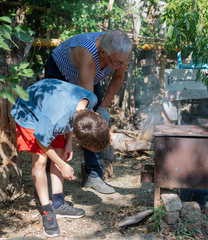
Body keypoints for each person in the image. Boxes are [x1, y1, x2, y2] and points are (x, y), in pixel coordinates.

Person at [11, 78, 110, 237]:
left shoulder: (91, 100)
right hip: (29, 111)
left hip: (51, 108)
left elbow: (75, 118)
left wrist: (68, 143)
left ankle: (58, 204)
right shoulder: (56, 119)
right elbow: (41, 142)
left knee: (59, 151)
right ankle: (47, 210)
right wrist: (62, 165)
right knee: (41, 160)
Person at [44, 30, 132, 194]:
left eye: (124, 62)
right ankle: (49, 178)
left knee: (96, 120)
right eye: (118, 63)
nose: (122, 66)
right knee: (57, 125)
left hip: (90, 77)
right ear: (102, 53)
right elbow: (87, 112)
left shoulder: (123, 50)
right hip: (59, 74)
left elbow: (118, 78)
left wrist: (104, 107)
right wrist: (98, 119)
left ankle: (93, 174)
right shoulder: (87, 55)